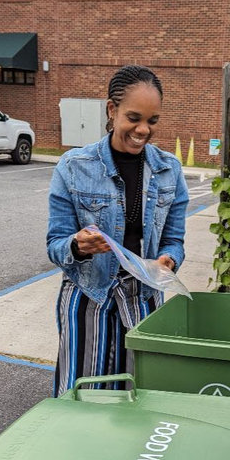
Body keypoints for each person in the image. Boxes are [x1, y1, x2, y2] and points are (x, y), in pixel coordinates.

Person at [47, 65, 189, 396]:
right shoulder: (74, 166)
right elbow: (55, 245)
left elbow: (174, 240)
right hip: (88, 296)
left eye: (152, 121)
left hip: (144, 298)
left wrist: (168, 260)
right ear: (112, 110)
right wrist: (78, 246)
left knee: (136, 395)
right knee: (82, 394)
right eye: (134, 118)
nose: (143, 130)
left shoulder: (169, 170)